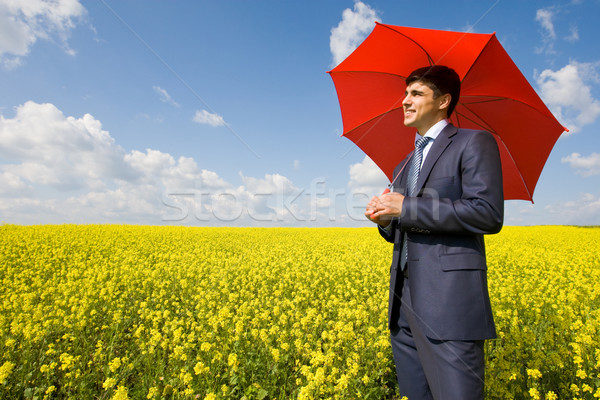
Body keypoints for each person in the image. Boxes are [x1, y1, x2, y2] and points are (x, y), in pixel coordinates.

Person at [365, 65, 504, 400]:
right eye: (405, 94)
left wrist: (406, 207)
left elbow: (487, 213)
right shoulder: (404, 164)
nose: (405, 101)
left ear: (443, 100)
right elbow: (402, 228)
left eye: (416, 94)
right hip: (403, 305)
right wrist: (385, 220)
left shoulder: (473, 142)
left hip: (448, 303)